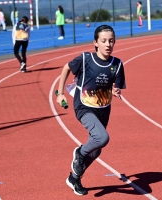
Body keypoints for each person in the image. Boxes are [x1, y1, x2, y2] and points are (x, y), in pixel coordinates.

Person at [56, 25, 126, 195]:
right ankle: (79, 153)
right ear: (95, 43)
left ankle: (74, 177)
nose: (108, 44)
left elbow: (115, 86)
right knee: (102, 138)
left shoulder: (117, 64)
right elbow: (66, 68)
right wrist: (59, 93)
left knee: (96, 150)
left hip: (103, 109)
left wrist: (115, 90)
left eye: (111, 41)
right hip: (84, 107)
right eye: (103, 41)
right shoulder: (85, 59)